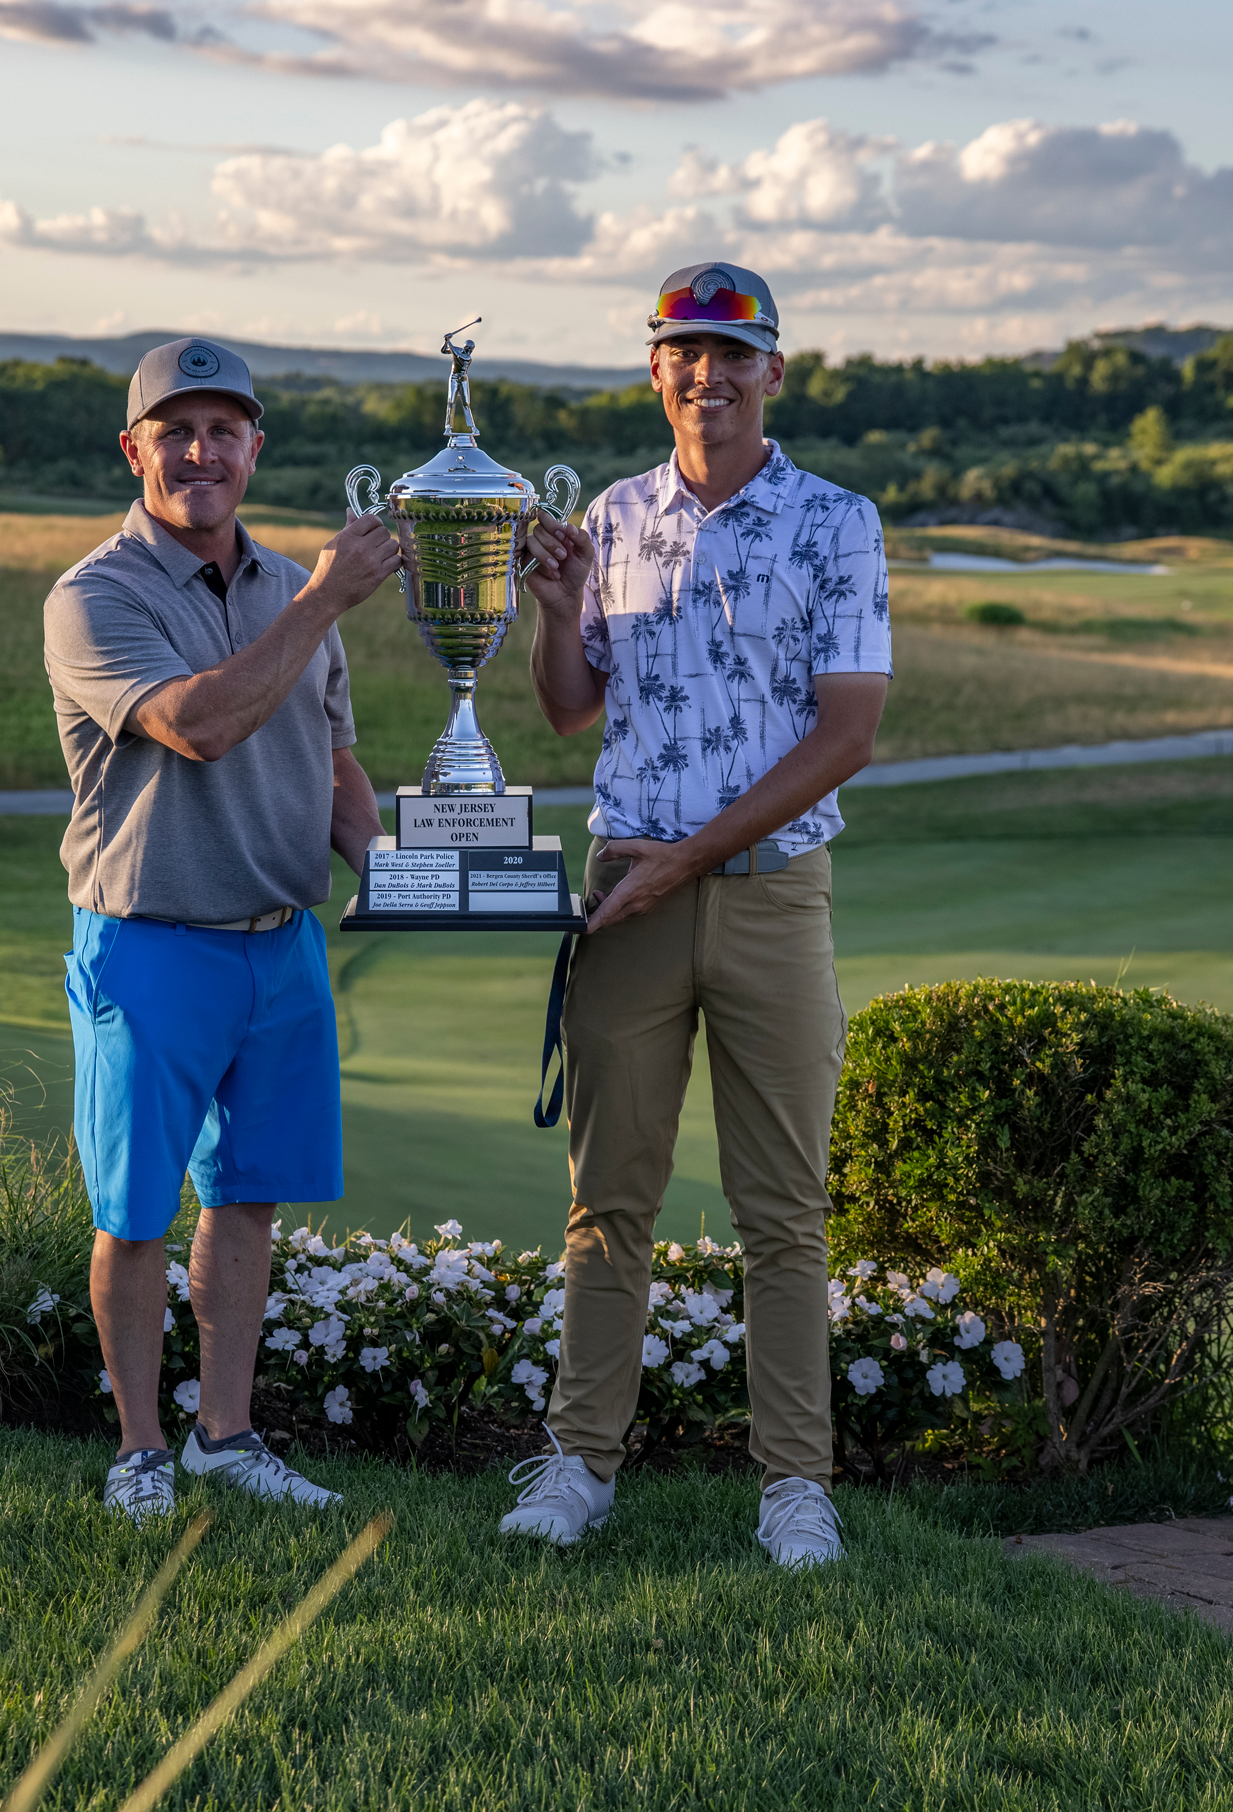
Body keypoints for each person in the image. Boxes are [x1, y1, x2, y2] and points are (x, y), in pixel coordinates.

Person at [508, 262, 892, 1567]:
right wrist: (555, 611)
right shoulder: (613, 518)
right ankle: (580, 1462)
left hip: (773, 897)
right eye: (685, 351)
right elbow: (570, 706)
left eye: (735, 355)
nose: (709, 375)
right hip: (628, 891)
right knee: (608, 1201)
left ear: (774, 372)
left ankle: (795, 1482)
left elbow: (847, 735)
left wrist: (683, 865)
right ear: (654, 368)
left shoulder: (837, 522)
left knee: (782, 1210)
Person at [43, 336, 406, 1521]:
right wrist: (321, 601)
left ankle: (225, 1433)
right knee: (136, 1210)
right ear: (133, 447)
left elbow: (332, 763)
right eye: (175, 430)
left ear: (256, 445)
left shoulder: (292, 583)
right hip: (150, 940)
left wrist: (413, 878)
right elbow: (200, 723)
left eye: (223, 430)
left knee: (246, 1199)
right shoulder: (95, 596)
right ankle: (141, 1450)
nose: (200, 452)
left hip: (278, 942)